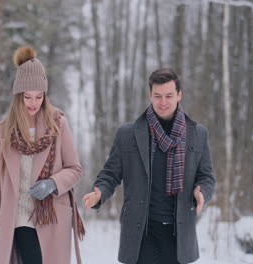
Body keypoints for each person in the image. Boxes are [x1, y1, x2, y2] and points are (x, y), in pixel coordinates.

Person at [83, 67, 215, 264]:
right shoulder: (128, 134)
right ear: (150, 95)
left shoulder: (197, 133)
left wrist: (202, 191)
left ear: (179, 95)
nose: (163, 102)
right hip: (141, 234)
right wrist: (100, 192)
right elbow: (111, 174)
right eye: (157, 96)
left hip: (179, 234)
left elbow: (206, 176)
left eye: (169, 96)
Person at [0, 46, 84, 264]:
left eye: (39, 96)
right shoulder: (3, 132)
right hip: (18, 220)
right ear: (18, 96)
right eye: (27, 97)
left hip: (51, 218)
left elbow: (75, 169)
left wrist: (53, 183)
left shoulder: (58, 125)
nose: (33, 103)